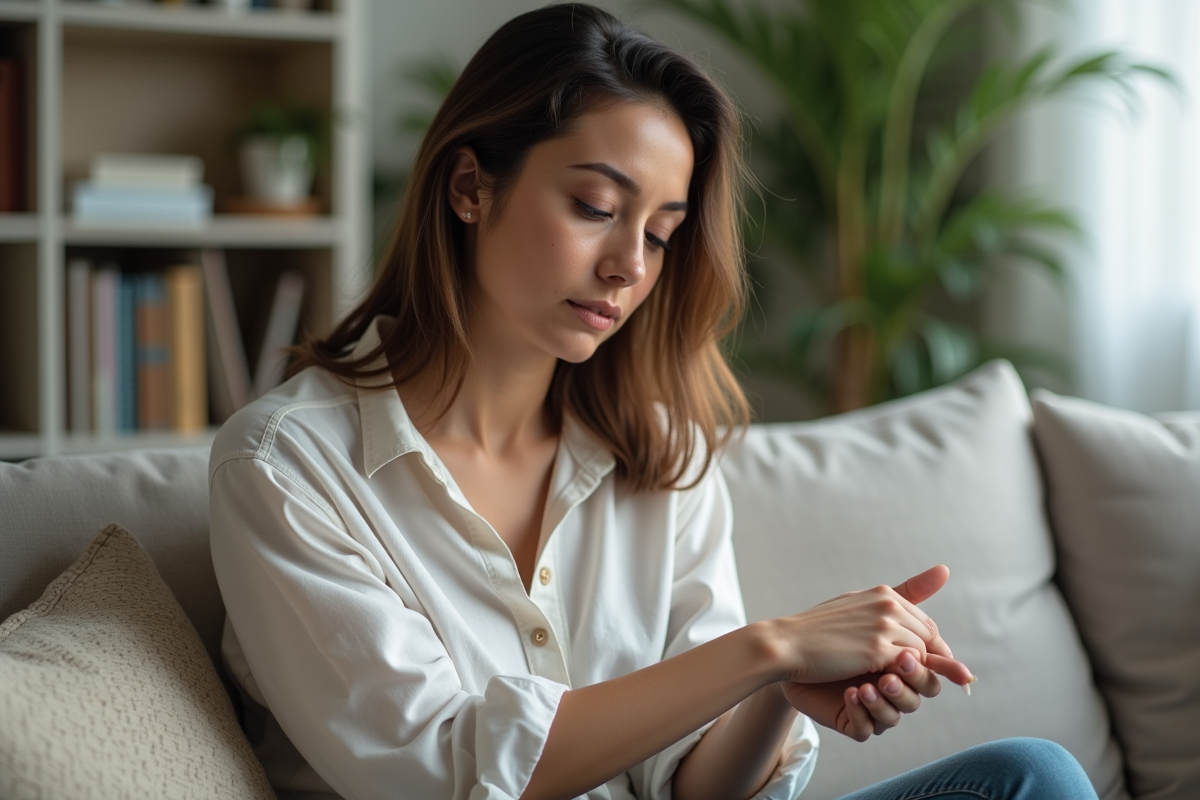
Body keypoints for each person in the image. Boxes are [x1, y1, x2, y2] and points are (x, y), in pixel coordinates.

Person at [208, 5, 1101, 799]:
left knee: (1032, 777)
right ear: (470, 187)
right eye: (597, 206)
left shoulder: (656, 451)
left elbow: (695, 783)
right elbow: (442, 770)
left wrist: (773, 698)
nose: (630, 265)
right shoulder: (287, 466)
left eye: (662, 233)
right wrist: (770, 649)